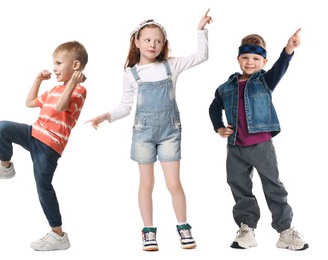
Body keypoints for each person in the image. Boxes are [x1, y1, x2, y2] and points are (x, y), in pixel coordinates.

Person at [86, 9, 212, 251]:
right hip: (143, 134)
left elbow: (201, 56)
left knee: (174, 183)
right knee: (147, 184)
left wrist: (201, 30)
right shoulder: (131, 73)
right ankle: (148, 231)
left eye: (157, 40)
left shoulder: (170, 66)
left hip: (169, 133)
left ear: (164, 44)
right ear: (137, 42)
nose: (152, 44)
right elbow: (124, 107)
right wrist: (107, 116)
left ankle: (183, 226)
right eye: (147, 40)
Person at [0, 41, 88, 251]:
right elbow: (29, 102)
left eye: (58, 63)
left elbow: (60, 106)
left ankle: (58, 235)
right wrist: (38, 79)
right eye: (53, 63)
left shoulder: (80, 90)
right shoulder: (54, 89)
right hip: (33, 133)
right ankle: (5, 165)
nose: (54, 67)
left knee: (43, 187)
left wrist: (72, 83)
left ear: (75, 65)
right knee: (3, 127)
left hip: (49, 146)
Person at [209, 29, 309, 250]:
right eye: (245, 58)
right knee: (239, 186)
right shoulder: (225, 87)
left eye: (256, 58)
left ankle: (285, 231)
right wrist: (219, 127)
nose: (250, 62)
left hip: (261, 145)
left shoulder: (265, 81)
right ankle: (247, 229)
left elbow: (281, 67)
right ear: (238, 59)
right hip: (235, 147)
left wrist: (289, 49)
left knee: (273, 186)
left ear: (264, 61)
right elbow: (214, 107)